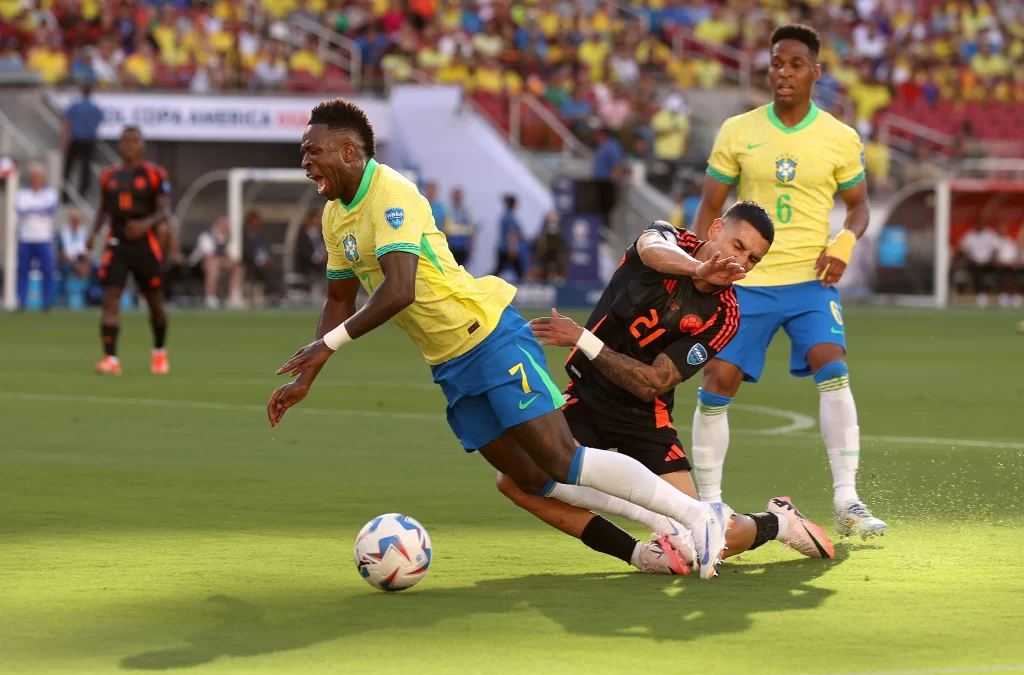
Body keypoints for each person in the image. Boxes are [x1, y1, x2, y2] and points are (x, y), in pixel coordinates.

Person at [267, 97, 748, 580]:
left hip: (488, 335)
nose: (305, 161)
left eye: (314, 151)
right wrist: (309, 370)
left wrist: (326, 345)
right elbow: (337, 301)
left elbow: (398, 290)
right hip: (449, 363)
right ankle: (648, 549)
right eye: (304, 151)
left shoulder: (392, 192)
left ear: (350, 152)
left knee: (562, 458)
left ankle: (695, 516)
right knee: (527, 477)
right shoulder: (335, 218)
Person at [502, 211, 834, 574]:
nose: (742, 261)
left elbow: (653, 383)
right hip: (585, 395)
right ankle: (642, 555)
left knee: (695, 542)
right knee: (517, 480)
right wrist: (697, 270)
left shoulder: (725, 316)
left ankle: (778, 522)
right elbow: (650, 249)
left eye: (753, 258)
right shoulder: (667, 239)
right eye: (738, 246)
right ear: (717, 229)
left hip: (643, 419)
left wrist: (583, 338)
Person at [689, 25, 886, 538]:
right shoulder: (738, 129)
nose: (784, 72)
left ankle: (848, 500)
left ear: (815, 73)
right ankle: (708, 507)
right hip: (743, 283)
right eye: (777, 63)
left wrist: (844, 243)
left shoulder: (840, 138)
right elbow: (710, 205)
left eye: (796, 64)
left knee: (832, 363)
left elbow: (859, 207)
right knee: (717, 382)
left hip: (809, 283)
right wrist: (697, 264)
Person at [88, 126, 180, 376]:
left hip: (145, 244)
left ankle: (159, 351)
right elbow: (103, 208)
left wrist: (144, 224)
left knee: (155, 304)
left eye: (134, 141)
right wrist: (92, 233)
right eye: (125, 141)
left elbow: (164, 211)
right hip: (116, 242)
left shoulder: (154, 174)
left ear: (142, 145)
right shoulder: (109, 176)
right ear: (119, 145)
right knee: (110, 299)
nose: (129, 146)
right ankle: (110, 359)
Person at [15, 162, 60, 312]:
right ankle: (22, 301)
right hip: (26, 237)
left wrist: (32, 209)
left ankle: (47, 302)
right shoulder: (22, 193)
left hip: (44, 238)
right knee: (23, 270)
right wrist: (40, 209)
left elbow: (51, 210)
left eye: (38, 177)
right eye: (33, 177)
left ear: (43, 178)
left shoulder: (50, 193)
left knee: (47, 270)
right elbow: (20, 210)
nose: (35, 180)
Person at [62, 85, 104, 202]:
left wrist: (64, 140)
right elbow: (99, 121)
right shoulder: (95, 107)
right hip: (89, 141)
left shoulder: (75, 106)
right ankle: (83, 193)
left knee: (68, 168)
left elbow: (67, 123)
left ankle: (65, 194)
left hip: (76, 139)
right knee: (86, 168)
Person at [191, 216, 243, 309]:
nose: (226, 228)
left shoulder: (227, 238)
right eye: (224, 226)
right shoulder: (206, 235)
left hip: (218, 263)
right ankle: (210, 297)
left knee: (237, 266)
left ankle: (231, 298)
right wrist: (224, 261)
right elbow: (209, 256)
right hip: (197, 266)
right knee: (212, 264)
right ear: (218, 225)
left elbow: (228, 256)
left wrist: (230, 263)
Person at [243, 211, 284, 305]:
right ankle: (272, 294)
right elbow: (247, 254)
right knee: (268, 271)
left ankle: (278, 294)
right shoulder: (244, 236)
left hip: (265, 263)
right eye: (255, 221)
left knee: (278, 270)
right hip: (253, 265)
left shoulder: (261, 235)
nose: (257, 224)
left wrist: (268, 260)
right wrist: (261, 262)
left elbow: (266, 251)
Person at [295, 209, 328, 296]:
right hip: (308, 264)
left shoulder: (321, 232)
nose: (317, 221)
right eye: (315, 218)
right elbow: (303, 252)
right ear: (309, 219)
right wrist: (319, 258)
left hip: (324, 261)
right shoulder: (303, 234)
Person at [493, 194, 524, 281]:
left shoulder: (505, 216)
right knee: (518, 271)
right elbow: (511, 234)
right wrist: (512, 249)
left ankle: (484, 284)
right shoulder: (510, 217)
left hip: (503, 248)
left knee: (499, 269)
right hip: (507, 249)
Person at [444, 186, 475, 267]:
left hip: (463, 246)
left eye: (459, 195)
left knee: (463, 269)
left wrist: (471, 246)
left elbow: (471, 230)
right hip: (451, 246)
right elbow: (446, 229)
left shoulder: (467, 211)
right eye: (455, 195)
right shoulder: (448, 210)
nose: (457, 197)